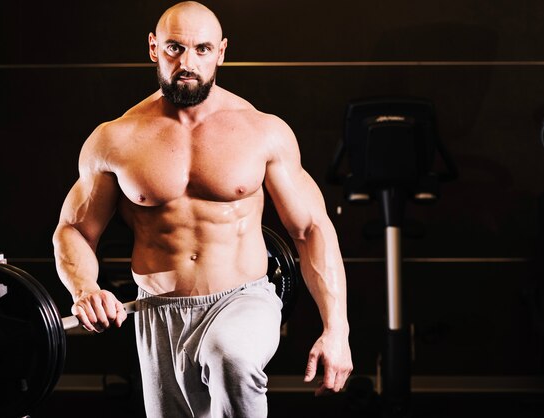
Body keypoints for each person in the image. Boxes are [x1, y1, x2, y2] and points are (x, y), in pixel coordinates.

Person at [53, 1, 352, 417]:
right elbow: (73, 230)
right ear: (154, 48)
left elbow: (311, 229)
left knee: (232, 357)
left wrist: (337, 328)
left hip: (244, 299)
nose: (187, 62)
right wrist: (84, 289)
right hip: (158, 312)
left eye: (203, 49)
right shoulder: (114, 139)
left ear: (222, 52)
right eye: (175, 48)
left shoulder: (262, 131)